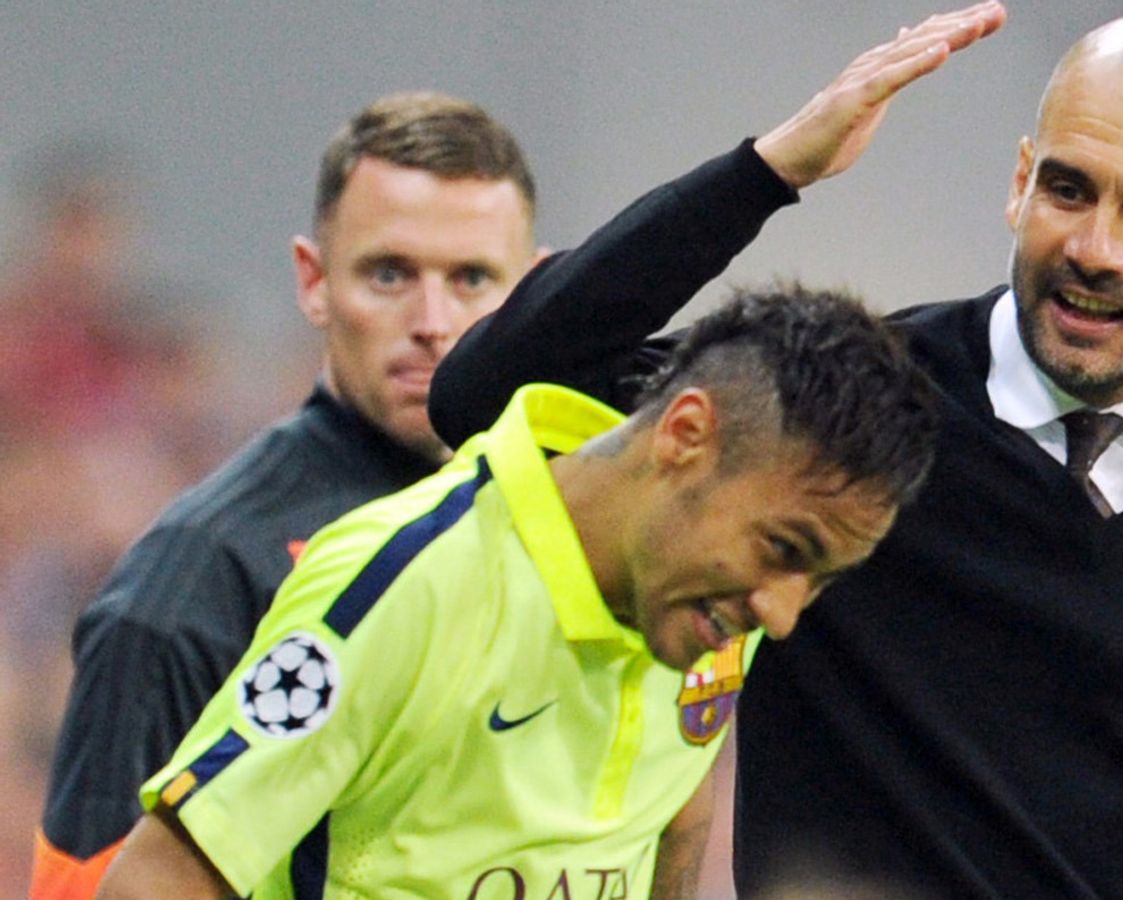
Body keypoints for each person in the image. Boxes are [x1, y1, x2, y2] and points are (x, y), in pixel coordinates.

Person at [427, 4, 1123, 897]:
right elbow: (489, 392)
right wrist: (767, 172)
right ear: (1019, 183)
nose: (1096, 249)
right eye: (1069, 189)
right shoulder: (851, 409)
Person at [95, 285, 941, 898]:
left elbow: (671, 811)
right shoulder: (408, 580)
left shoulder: (709, 602)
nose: (783, 614)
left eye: (820, 577)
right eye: (785, 549)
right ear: (686, 436)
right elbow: (161, 877)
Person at [31, 92, 542, 899]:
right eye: (389, 273)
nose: (433, 320)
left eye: (472, 278)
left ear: (535, 294)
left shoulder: (572, 531)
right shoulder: (195, 581)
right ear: (314, 282)